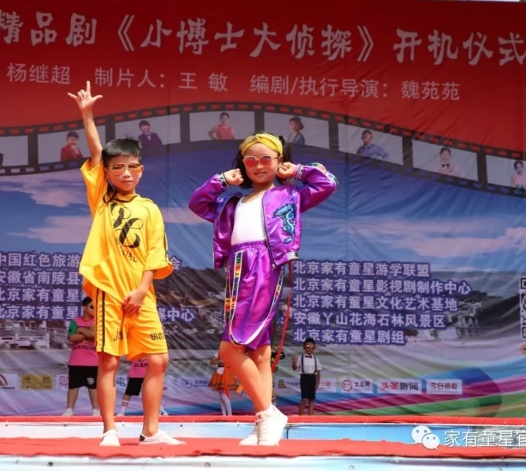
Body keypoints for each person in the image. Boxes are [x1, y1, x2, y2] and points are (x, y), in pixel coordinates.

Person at [188, 132, 338, 446]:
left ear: (279, 161)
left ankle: (268, 413)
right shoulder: (233, 203)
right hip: (238, 269)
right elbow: (198, 203)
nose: (258, 165)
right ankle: (263, 423)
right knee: (259, 352)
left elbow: (327, 184)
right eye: (251, 160)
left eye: (266, 159)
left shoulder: (289, 195)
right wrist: (221, 181)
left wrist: (297, 171)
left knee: (229, 349)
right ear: (242, 165)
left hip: (263, 266)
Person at [68, 81, 183, 447]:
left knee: (158, 360)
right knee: (109, 362)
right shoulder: (102, 199)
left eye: (132, 167)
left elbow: (154, 254)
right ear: (108, 172)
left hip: (141, 295)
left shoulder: (149, 209)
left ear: (141, 169)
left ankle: (151, 431)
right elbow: (96, 152)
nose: (126, 173)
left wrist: (142, 290)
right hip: (108, 293)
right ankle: (110, 431)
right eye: (118, 167)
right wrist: (87, 115)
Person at [62, 296, 100, 417]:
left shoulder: (98, 321)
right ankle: (69, 410)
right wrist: (87, 332)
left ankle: (95, 410)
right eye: (92, 307)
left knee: (93, 386)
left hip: (93, 361)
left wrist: (80, 330)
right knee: (73, 386)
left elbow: (94, 335)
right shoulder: (75, 321)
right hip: (76, 361)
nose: (95, 309)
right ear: (84, 307)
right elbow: (72, 337)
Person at [291, 338, 321, 416]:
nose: (310, 349)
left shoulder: (316, 359)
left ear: (314, 348)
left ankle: (310, 417)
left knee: (311, 399)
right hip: (304, 378)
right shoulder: (300, 357)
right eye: (307, 347)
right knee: (304, 398)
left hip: (313, 378)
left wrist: (318, 383)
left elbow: (318, 372)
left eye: (312, 347)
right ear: (304, 347)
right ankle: (300, 417)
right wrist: (293, 362)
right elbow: (294, 368)